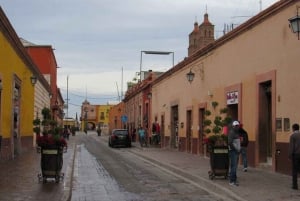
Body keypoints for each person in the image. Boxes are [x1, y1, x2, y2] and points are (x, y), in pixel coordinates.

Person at [228, 120, 241, 186]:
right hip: (233, 152)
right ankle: (232, 180)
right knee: (234, 166)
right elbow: (230, 142)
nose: (237, 127)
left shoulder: (236, 132)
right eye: (236, 126)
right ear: (233, 126)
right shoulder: (232, 133)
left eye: (238, 126)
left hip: (236, 151)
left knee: (235, 166)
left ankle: (234, 179)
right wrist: (235, 149)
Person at [288, 123, 300, 190]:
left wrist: (289, 155)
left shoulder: (293, 136)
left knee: (294, 170)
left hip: (295, 155)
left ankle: (295, 185)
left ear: (293, 128)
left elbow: (291, 147)